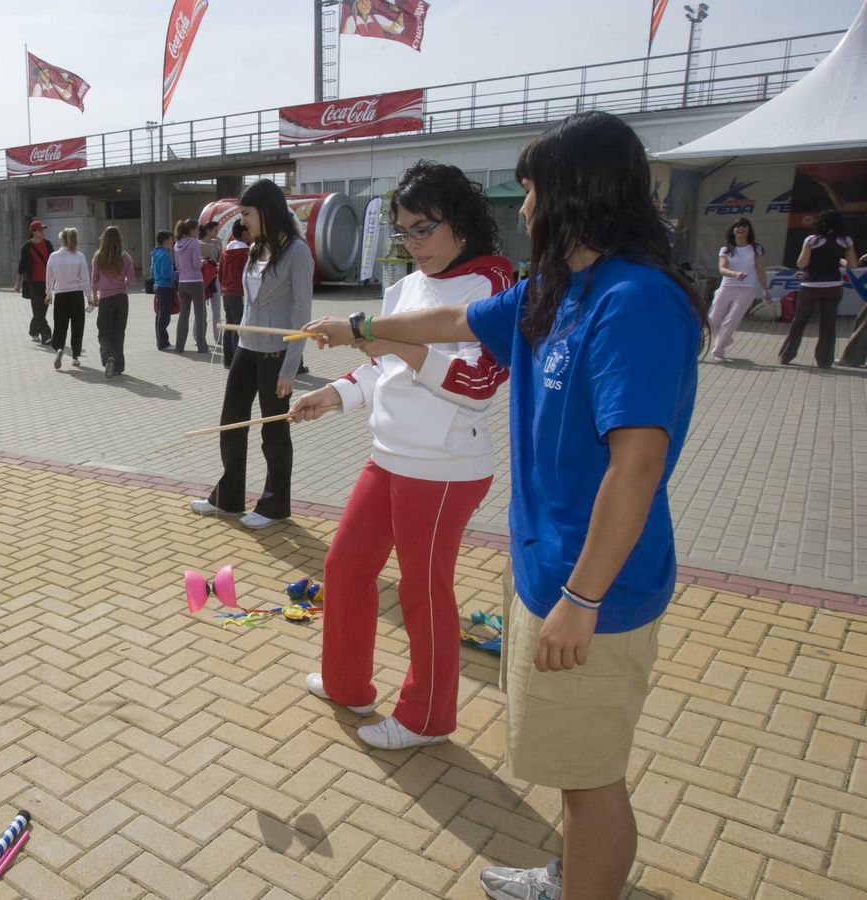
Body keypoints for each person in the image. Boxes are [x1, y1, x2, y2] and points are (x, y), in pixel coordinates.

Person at [302, 110, 706, 900]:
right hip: (548, 570)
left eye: (531, 191)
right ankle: (567, 874)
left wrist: (582, 598)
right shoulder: (557, 289)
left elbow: (637, 466)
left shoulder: (636, 301)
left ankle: (580, 884)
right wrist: (359, 327)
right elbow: (455, 321)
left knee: (590, 778)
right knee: (569, 763)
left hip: (595, 589)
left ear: (575, 194)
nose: (523, 209)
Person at [289, 161, 513, 751]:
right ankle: (347, 683)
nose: (414, 244)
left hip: (444, 469)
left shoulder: (492, 283)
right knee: (344, 566)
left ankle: (428, 718)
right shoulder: (406, 286)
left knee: (423, 591)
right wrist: (333, 395)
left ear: (461, 224)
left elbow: (478, 384)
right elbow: (381, 367)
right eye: (404, 232)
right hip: (389, 457)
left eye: (424, 229)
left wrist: (390, 339)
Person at [190, 179, 311, 529]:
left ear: (266, 211)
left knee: (273, 432)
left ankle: (274, 506)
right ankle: (228, 499)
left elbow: (302, 315)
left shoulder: (297, 252)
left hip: (276, 354)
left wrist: (290, 367)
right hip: (246, 347)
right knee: (231, 422)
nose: (243, 221)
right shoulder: (256, 248)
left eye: (246, 213)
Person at [778, 209, 858, 367]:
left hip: (811, 285)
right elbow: (853, 265)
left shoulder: (812, 240)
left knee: (799, 321)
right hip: (834, 286)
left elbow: (801, 264)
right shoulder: (846, 241)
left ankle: (786, 356)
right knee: (828, 324)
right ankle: (824, 361)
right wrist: (839, 260)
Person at [706, 217, 770, 361]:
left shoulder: (756, 248)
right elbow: (722, 269)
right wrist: (735, 274)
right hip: (726, 288)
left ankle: (718, 351)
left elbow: (760, 269)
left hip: (746, 290)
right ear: (733, 230)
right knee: (713, 319)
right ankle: (724, 339)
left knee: (731, 320)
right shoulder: (726, 249)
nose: (741, 229)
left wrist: (765, 290)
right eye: (738, 226)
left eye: (744, 226)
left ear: (749, 230)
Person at [90, 225, 136, 378]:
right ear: (119, 240)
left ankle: (108, 355)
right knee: (118, 332)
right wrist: (122, 283)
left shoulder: (98, 256)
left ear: (103, 239)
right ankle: (118, 366)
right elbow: (132, 281)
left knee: (103, 332)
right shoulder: (126, 257)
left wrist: (94, 295)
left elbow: (94, 278)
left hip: (106, 299)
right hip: (121, 298)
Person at [45, 227, 92, 369]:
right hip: (76, 295)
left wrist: (48, 294)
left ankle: (59, 348)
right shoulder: (79, 256)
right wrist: (89, 296)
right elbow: (85, 278)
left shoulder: (53, 256)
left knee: (60, 325)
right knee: (77, 326)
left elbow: (49, 277)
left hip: (60, 295)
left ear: (61, 240)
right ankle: (75, 356)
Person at [173, 219, 210, 353]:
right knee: (200, 315)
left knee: (183, 315)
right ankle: (202, 346)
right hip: (195, 280)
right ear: (191, 230)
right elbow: (196, 264)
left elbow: (177, 266)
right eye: (197, 229)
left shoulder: (177, 243)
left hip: (182, 282)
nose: (198, 232)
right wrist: (203, 261)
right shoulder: (194, 243)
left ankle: (179, 346)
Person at [14, 221, 54, 345]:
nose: (42, 231)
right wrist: (18, 283)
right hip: (34, 282)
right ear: (34, 232)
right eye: (40, 229)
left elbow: (53, 262)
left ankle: (33, 331)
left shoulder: (48, 244)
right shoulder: (27, 247)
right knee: (37, 309)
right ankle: (46, 335)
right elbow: (21, 266)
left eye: (43, 229)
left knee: (43, 309)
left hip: (47, 282)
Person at [219, 221, 251, 367]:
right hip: (239, 292)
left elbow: (220, 273)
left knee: (230, 325)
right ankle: (237, 363)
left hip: (226, 292)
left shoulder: (226, 250)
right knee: (238, 327)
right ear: (243, 233)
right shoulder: (245, 252)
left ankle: (228, 359)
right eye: (248, 230)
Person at [151, 231, 177, 350]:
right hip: (165, 287)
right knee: (164, 316)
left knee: (160, 314)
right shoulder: (165, 255)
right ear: (165, 240)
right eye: (171, 239)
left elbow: (152, 272)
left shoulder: (155, 253)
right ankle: (163, 343)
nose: (172, 242)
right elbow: (166, 274)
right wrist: (178, 273)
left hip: (157, 286)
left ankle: (160, 341)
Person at [200, 221, 222, 344]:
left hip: (215, 277)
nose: (217, 233)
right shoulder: (198, 243)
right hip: (202, 278)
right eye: (215, 230)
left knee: (217, 310)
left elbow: (221, 260)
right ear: (208, 231)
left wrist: (220, 248)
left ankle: (218, 337)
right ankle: (199, 337)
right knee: (201, 311)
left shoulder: (217, 242)